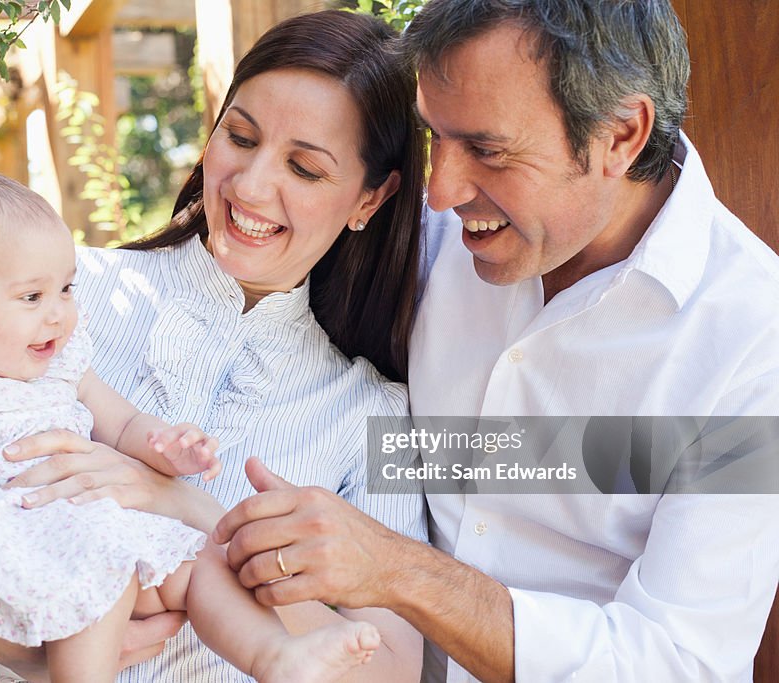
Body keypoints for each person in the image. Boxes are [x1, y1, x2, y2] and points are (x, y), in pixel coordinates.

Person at [0, 9, 428, 682]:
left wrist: (187, 507)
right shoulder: (55, 296)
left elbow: (394, 664)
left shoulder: (374, 412)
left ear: (371, 197)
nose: (249, 185)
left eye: (305, 168)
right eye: (240, 136)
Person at [213, 1, 779, 681]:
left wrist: (397, 570)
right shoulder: (423, 234)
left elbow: (682, 662)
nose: (442, 191)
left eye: (487, 150)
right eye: (435, 138)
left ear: (622, 135)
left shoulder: (753, 335)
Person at [0, 169, 390, 682]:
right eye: (32, 296)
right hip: (12, 543)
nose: (59, 313)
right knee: (97, 574)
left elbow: (123, 427)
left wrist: (168, 449)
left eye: (66, 289)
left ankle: (275, 656)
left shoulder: (63, 362)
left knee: (203, 565)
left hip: (97, 533)